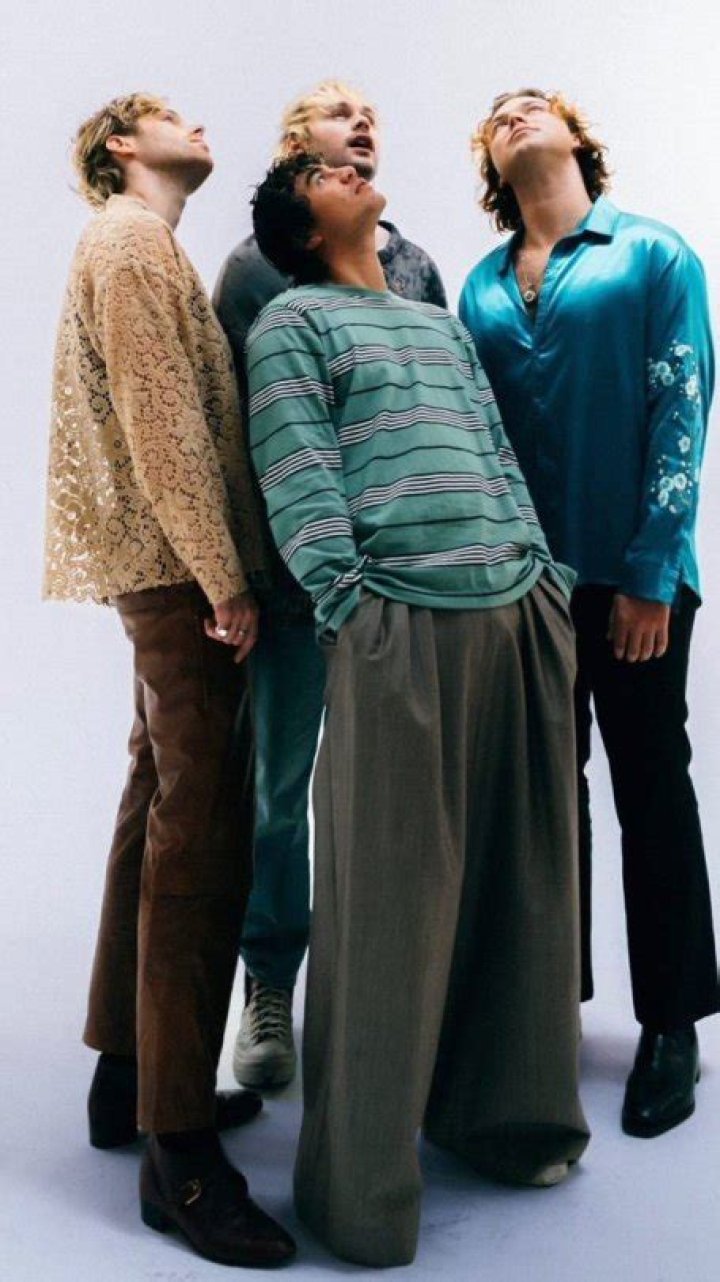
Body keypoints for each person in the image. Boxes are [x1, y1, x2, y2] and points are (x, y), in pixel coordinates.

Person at [245, 151, 590, 1267]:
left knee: (525, 884)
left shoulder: (436, 323)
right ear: (304, 227)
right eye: (322, 173)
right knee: (388, 906)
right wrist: (347, 600)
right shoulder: (293, 322)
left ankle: (508, 1123)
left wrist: (543, 576)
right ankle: (360, 1188)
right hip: (397, 620)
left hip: (514, 611)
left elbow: (495, 448)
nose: (351, 166)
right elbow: (298, 468)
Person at [43, 93, 295, 1268]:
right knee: (202, 842)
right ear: (122, 146)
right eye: (171, 115)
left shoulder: (131, 243)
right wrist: (224, 576)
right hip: (183, 576)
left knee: (156, 803)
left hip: (158, 569)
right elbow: (162, 423)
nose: (200, 126)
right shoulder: (135, 240)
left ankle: (127, 1078)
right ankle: (179, 1157)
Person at [460, 87, 719, 1139]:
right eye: (499, 115)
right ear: (490, 161)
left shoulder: (653, 253)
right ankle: (544, 1007)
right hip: (525, 586)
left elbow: (682, 405)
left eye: (536, 105)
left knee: (649, 783)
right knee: (540, 797)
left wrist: (652, 572)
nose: (517, 114)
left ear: (577, 138)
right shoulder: (480, 287)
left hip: (633, 575)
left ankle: (672, 1023)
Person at [213, 80, 447, 1090]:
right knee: (280, 792)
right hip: (291, 583)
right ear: (295, 148)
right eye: (337, 110)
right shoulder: (253, 268)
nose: (363, 122)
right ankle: (269, 983)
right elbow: (238, 431)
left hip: (404, 582)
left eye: (371, 113)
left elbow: (437, 414)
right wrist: (238, 577)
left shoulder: (416, 264)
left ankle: (388, 998)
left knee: (399, 796)